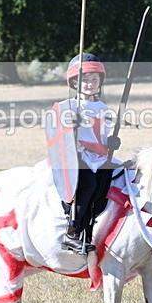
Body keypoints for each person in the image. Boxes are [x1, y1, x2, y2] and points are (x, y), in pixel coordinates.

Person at [59, 53, 120, 254]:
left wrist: (112, 141)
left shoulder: (102, 108)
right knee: (88, 185)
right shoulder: (71, 107)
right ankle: (72, 232)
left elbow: (103, 135)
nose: (90, 84)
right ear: (75, 82)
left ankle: (93, 229)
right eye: (85, 79)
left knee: (112, 181)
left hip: (100, 158)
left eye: (94, 79)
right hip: (80, 158)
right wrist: (71, 125)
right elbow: (62, 136)